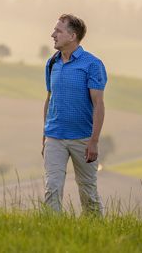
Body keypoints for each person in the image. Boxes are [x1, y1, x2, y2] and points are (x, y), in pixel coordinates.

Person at [42, 13, 107, 215]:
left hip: (83, 139)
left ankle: (96, 232)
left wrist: (94, 141)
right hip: (54, 138)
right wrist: (44, 136)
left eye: (58, 31)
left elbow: (98, 104)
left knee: (88, 192)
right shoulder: (52, 63)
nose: (53, 34)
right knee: (52, 187)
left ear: (72, 36)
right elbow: (49, 99)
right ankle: (51, 232)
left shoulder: (92, 64)